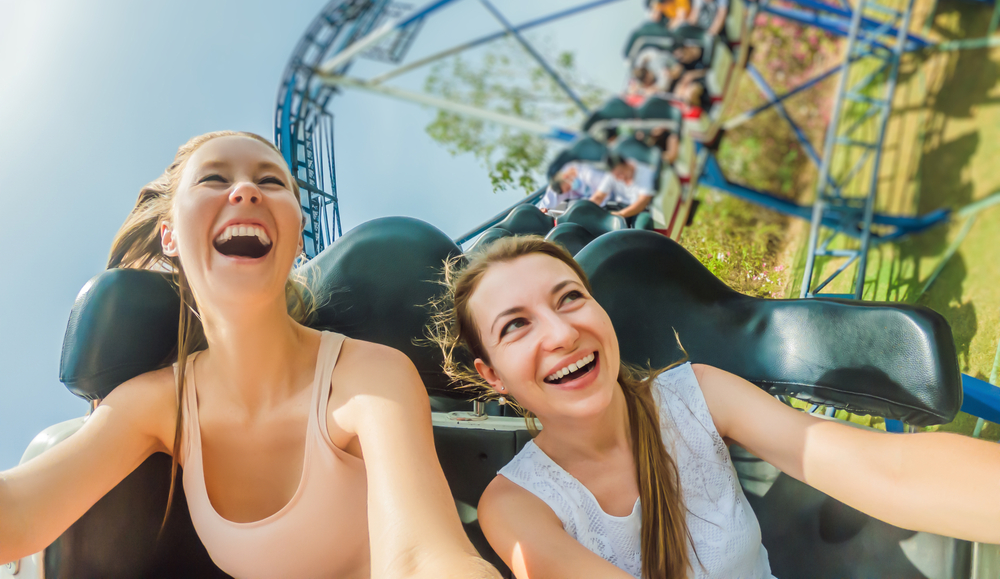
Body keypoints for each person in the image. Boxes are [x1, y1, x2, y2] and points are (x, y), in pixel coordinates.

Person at [0, 131, 500, 579]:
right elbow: (20, 511)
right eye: (214, 178)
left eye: (272, 182)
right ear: (169, 235)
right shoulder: (156, 403)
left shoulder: (369, 376)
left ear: (299, 235)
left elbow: (423, 556)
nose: (246, 191)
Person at [429, 236, 1000, 579]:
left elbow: (885, 470)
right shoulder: (514, 506)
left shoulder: (696, 393)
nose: (560, 333)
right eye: (516, 326)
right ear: (492, 376)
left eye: (570, 297)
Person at [591, 153, 658, 221]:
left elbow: (643, 201)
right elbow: (598, 196)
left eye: (621, 173)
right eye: (616, 175)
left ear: (627, 164)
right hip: (619, 206)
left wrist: (620, 214)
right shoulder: (611, 174)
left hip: (639, 210)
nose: (619, 178)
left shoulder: (646, 172)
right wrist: (586, 209)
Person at [537, 163, 613, 214]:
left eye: (567, 188)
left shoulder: (589, 174)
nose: (569, 190)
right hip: (590, 206)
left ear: (566, 177)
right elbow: (554, 192)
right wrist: (544, 207)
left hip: (610, 201)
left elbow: (603, 194)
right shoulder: (567, 183)